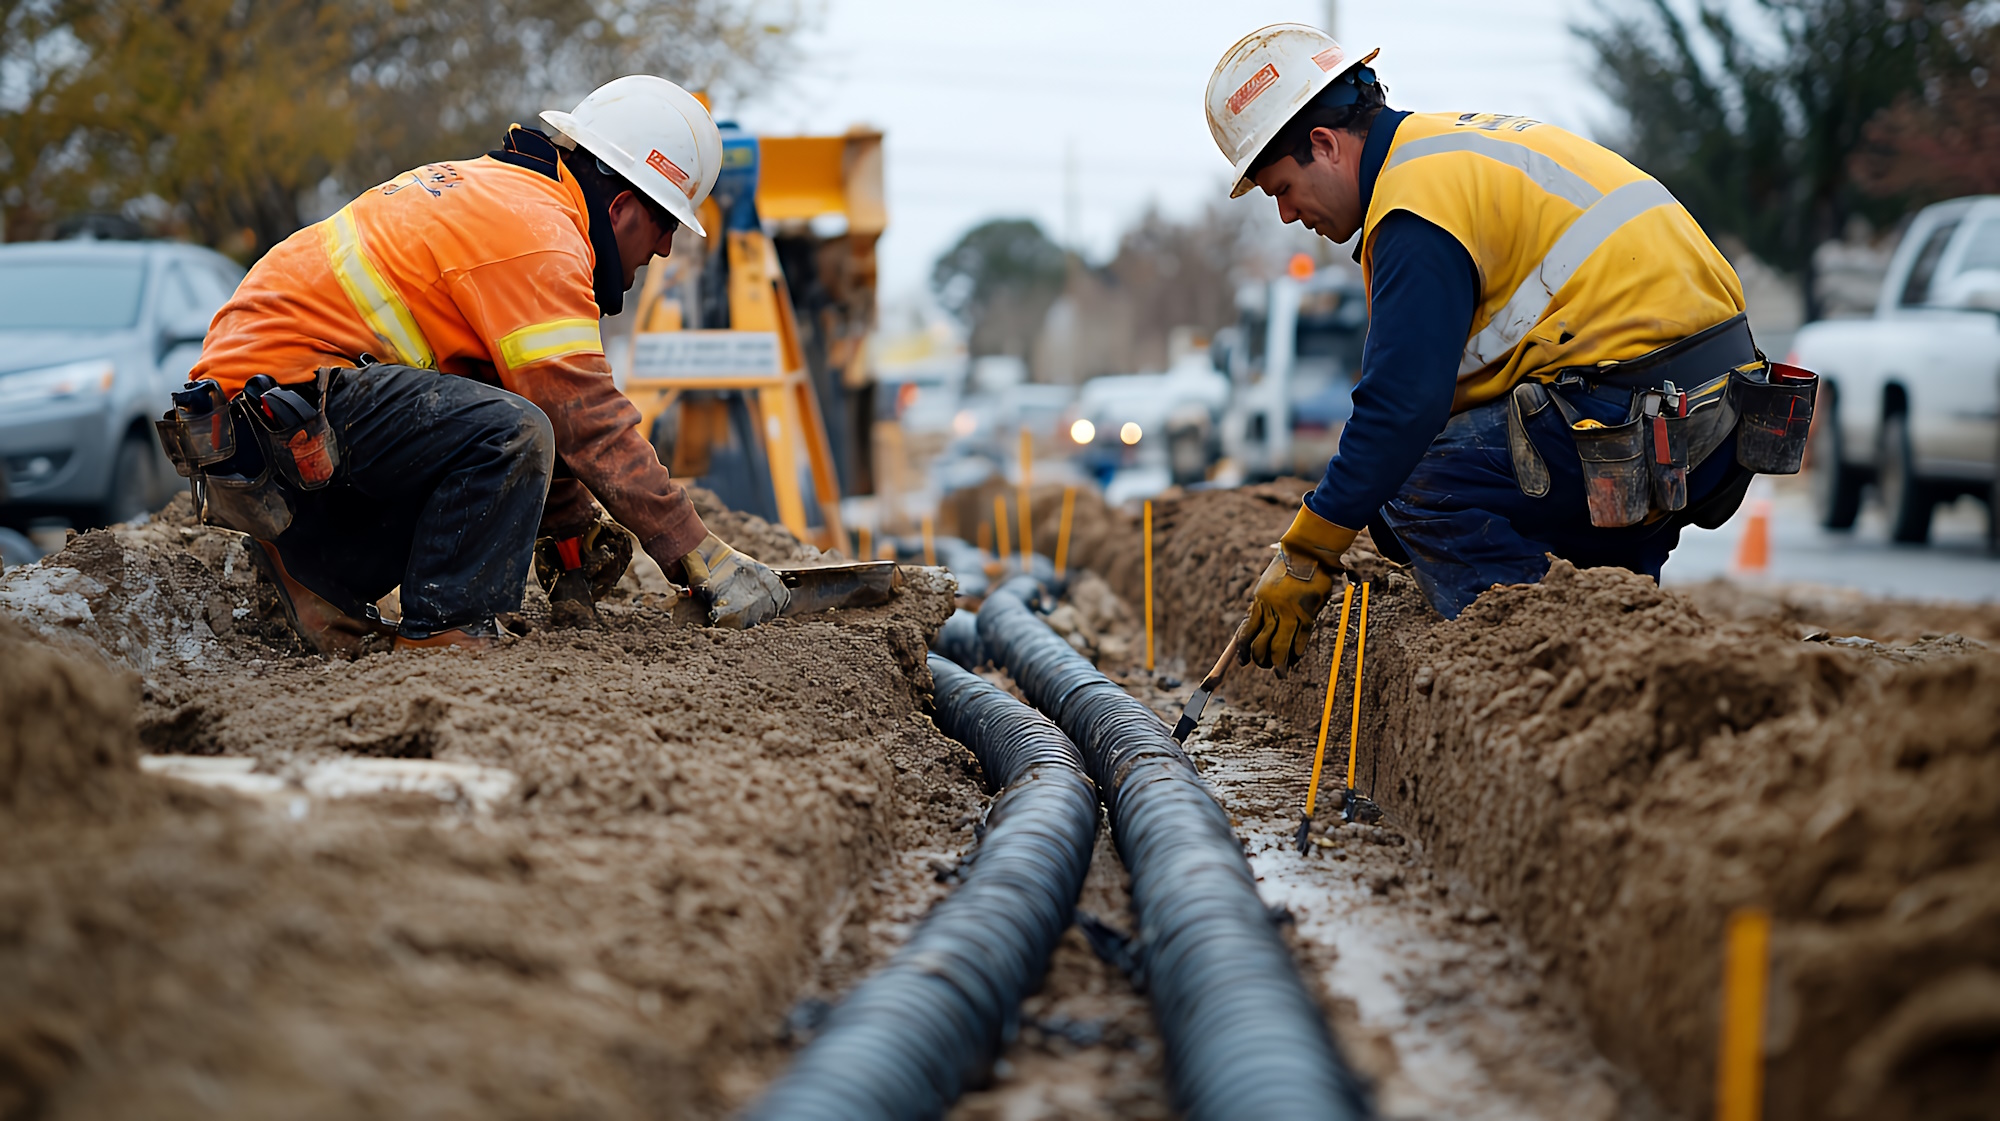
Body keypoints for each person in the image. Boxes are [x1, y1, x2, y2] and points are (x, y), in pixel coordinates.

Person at [1207, 25, 1805, 670]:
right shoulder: (1449, 154)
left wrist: (1309, 547)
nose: (1288, 217)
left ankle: (1526, 670)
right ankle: (1630, 661)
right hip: (1713, 401)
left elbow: (1401, 408)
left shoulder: (1413, 211)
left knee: (1411, 483)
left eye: (1280, 191)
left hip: (1631, 411)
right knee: (1404, 501)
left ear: (1322, 145)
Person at [184, 75, 789, 652]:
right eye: (665, 225)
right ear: (625, 208)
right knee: (514, 432)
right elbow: (581, 417)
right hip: (283, 407)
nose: (663, 247)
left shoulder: (509, 197)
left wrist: (569, 532)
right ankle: (445, 632)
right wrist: (696, 550)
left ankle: (320, 573)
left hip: (270, 415)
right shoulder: (540, 236)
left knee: (510, 423)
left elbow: (516, 399)